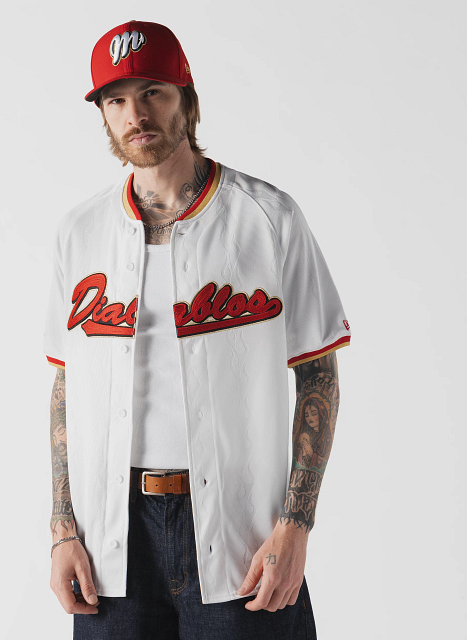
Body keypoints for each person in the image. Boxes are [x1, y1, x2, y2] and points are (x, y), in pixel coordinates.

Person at [43, 20, 352, 640]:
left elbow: (318, 376)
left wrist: (296, 527)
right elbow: (65, 387)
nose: (136, 115)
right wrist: (62, 529)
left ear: (186, 97)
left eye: (152, 92)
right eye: (115, 100)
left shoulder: (268, 218)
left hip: (241, 533)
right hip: (111, 539)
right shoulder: (80, 233)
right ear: (103, 114)